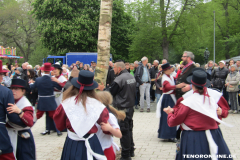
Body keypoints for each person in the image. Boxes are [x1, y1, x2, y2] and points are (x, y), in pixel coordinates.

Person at [164, 70, 232, 160]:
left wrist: (170, 114)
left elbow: (175, 120)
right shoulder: (210, 99)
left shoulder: (189, 100)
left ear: (192, 84)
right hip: (213, 134)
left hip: (193, 137)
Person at [53, 70, 109, 160]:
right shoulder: (99, 105)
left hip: (72, 143)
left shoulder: (65, 103)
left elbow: (59, 125)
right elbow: (105, 125)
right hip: (92, 142)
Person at [0, 60, 26, 160]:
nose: (2, 77)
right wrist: (24, 121)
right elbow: (11, 116)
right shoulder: (6, 92)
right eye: (1, 74)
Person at [29, 63, 62, 136]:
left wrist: (29, 84)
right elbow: (59, 88)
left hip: (42, 100)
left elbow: (32, 87)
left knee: (37, 116)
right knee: (54, 116)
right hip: (50, 100)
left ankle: (28, 128)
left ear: (43, 71)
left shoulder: (38, 79)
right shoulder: (52, 79)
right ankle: (58, 131)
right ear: (50, 71)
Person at [6, 79, 35, 160]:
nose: (13, 91)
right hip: (11, 134)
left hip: (22, 137)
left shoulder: (26, 104)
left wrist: (19, 111)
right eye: (12, 88)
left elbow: (30, 122)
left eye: (16, 89)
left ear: (23, 91)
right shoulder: (10, 99)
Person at [156, 63, 185, 142]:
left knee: (169, 115)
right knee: (169, 115)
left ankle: (167, 134)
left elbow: (177, 77)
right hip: (168, 98)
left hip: (170, 97)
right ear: (166, 71)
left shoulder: (170, 76)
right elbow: (167, 87)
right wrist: (177, 86)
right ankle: (169, 135)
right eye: (170, 69)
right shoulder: (165, 78)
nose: (171, 70)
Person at [96, 91, 125, 160]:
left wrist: (110, 129)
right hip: (95, 149)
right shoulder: (95, 113)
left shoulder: (110, 116)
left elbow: (119, 135)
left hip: (106, 149)